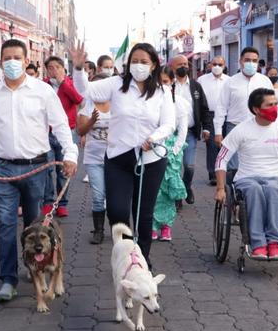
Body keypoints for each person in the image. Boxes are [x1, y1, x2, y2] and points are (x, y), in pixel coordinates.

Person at [0, 39, 78, 302]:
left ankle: (37, 269)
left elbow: (62, 126)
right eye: (6, 58)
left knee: (36, 225)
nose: (11, 63)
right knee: (6, 224)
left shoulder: (43, 92)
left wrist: (70, 155)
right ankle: (8, 279)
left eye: (16, 58)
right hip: (3, 169)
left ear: (25, 60)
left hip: (37, 167)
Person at [71, 41, 175, 266]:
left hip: (151, 158)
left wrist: (153, 138)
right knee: (117, 211)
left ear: (154, 64)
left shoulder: (163, 91)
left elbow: (169, 123)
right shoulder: (116, 84)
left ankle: (142, 260)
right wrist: (78, 69)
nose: (138, 65)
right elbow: (84, 90)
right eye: (134, 61)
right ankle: (127, 253)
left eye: (144, 62)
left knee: (143, 214)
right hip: (119, 158)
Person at [215, 88, 278, 259]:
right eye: (269, 105)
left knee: (273, 190)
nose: (274, 108)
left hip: (276, 178)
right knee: (255, 190)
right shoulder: (242, 129)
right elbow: (222, 159)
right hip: (246, 178)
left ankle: (274, 243)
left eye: (275, 104)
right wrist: (221, 188)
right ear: (257, 109)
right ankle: (258, 243)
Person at [214, 48, 274, 184]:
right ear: (240, 61)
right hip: (234, 127)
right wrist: (218, 132)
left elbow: (272, 105)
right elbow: (221, 107)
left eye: (254, 61)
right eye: (247, 60)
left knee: (255, 164)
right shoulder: (230, 82)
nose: (251, 63)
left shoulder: (265, 81)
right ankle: (232, 198)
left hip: (260, 129)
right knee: (233, 166)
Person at [43, 55, 83, 217]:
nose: (54, 70)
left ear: (63, 69)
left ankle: (62, 203)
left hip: (67, 131)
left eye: (57, 67)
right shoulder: (42, 86)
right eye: (50, 68)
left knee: (64, 169)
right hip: (46, 132)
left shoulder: (70, 84)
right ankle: (47, 201)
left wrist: (63, 84)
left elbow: (78, 99)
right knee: (46, 169)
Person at [152, 67, 188, 241]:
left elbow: (182, 130)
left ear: (172, 82)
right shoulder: (149, 100)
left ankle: (166, 227)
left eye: (165, 82)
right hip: (152, 147)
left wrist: (175, 150)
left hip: (172, 150)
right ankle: (151, 225)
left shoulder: (179, 102)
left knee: (168, 190)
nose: (161, 85)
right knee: (153, 189)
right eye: (159, 82)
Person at [170, 55, 211, 205]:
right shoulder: (167, 84)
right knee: (173, 167)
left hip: (190, 133)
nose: (184, 67)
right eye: (179, 64)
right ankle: (176, 195)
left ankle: (186, 187)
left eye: (185, 64)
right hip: (170, 134)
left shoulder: (195, 86)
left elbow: (204, 108)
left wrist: (206, 128)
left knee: (189, 166)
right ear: (172, 67)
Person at [77, 75, 111, 244]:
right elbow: (80, 131)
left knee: (115, 197)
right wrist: (92, 121)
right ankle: (98, 231)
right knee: (99, 195)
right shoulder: (87, 106)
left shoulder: (117, 103)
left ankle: (119, 229)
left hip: (115, 159)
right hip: (93, 159)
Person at [198, 56, 229, 186]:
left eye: (220, 64)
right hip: (209, 115)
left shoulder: (229, 81)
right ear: (210, 65)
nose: (217, 67)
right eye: (214, 64)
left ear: (224, 65)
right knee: (211, 145)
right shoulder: (202, 80)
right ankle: (213, 174)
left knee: (226, 144)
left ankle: (225, 172)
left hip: (227, 115)